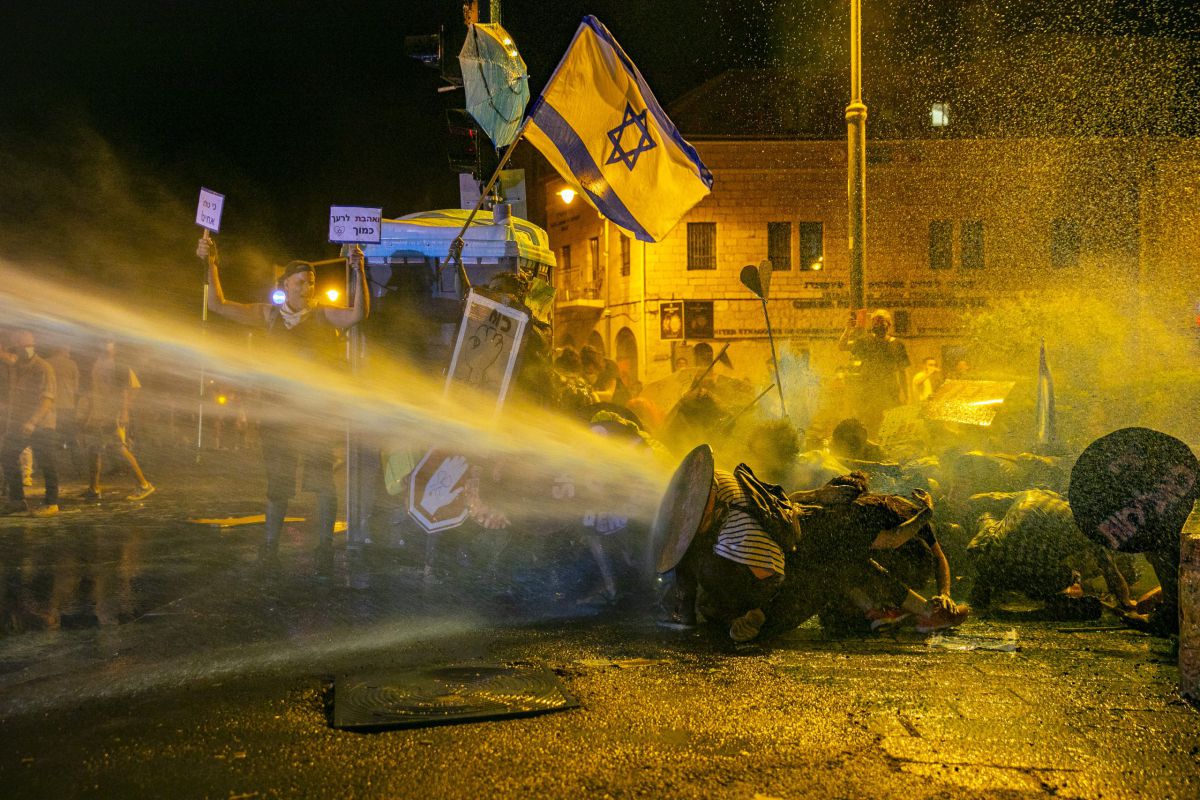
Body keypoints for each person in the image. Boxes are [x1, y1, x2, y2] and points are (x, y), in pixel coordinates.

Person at [198, 234, 368, 572]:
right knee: (277, 485)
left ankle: (323, 550)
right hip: (278, 417)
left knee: (322, 484)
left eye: (312, 281)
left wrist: (358, 268)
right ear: (285, 285)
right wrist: (210, 263)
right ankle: (270, 548)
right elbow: (217, 305)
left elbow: (358, 314)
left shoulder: (323, 315)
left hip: (316, 417)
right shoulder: (268, 315)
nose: (308, 287)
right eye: (301, 281)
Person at [80, 339, 155, 502]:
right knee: (94, 450)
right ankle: (94, 488)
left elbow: (127, 390)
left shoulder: (119, 366)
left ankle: (144, 484)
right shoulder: (97, 363)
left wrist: (124, 411)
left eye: (110, 343)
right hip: (98, 414)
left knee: (118, 448)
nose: (106, 346)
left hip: (109, 414)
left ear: (115, 348)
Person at [1, 330, 59, 517]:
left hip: (41, 424)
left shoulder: (43, 367)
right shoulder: (16, 367)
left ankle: (52, 503)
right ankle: (17, 500)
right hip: (19, 423)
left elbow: (47, 399)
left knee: (46, 463)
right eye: (20, 346)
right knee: (7, 456)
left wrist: (33, 422)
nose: (24, 349)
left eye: (27, 345)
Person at [838, 309, 910, 436]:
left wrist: (906, 394)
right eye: (875, 322)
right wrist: (847, 330)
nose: (878, 325)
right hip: (869, 390)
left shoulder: (897, 345)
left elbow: (902, 371)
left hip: (890, 391)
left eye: (881, 322)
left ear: (888, 324)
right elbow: (842, 346)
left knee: (890, 425)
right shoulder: (866, 341)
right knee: (870, 424)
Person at [44, 342, 81, 477]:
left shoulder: (45, 363)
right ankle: (79, 469)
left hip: (49, 407)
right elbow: (76, 389)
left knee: (50, 439)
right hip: (68, 406)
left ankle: (51, 470)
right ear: (64, 349)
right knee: (72, 438)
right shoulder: (72, 364)